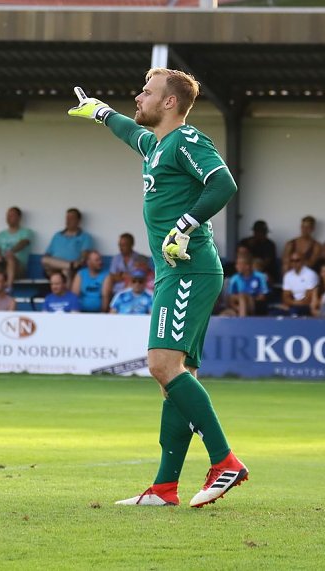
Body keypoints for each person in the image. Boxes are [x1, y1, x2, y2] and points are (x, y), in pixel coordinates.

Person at [69, 67, 247, 508]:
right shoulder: (156, 144)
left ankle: (225, 461)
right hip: (175, 270)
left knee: (161, 365)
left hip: (189, 268)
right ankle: (165, 487)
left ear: (169, 103)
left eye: (146, 92)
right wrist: (101, 113)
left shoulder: (187, 140)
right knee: (175, 378)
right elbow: (131, 132)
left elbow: (223, 183)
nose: (138, 97)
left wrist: (185, 225)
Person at [41, 208, 94, 281]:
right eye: (67, 218)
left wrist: (76, 264)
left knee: (66, 271)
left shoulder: (85, 237)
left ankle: (67, 292)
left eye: (71, 218)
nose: (68, 221)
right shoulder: (57, 235)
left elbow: (83, 257)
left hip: (73, 270)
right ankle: (69, 265)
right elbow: (47, 255)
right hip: (54, 268)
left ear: (78, 221)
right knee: (44, 259)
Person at [281, 251, 318, 316]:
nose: (294, 263)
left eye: (297, 260)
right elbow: (285, 297)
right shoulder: (288, 275)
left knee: (294, 312)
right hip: (293, 304)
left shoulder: (310, 274)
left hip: (307, 306)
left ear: (303, 261)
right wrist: (294, 303)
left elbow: (308, 298)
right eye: (292, 260)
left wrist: (293, 303)